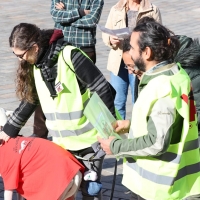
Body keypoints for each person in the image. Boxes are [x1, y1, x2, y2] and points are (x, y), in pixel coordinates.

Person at [0, 23, 116, 200]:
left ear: (35, 47)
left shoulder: (71, 56)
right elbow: (30, 101)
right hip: (62, 144)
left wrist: (108, 131)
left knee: (90, 191)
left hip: (90, 141)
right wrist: (9, 130)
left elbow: (104, 89)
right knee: (62, 190)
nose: (20, 60)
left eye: (21, 55)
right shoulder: (37, 65)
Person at [98, 19, 200, 200]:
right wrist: (130, 125)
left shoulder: (160, 87)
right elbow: (169, 123)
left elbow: (157, 142)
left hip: (160, 189)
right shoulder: (176, 74)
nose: (129, 51)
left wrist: (115, 146)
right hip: (174, 183)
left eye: (131, 47)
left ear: (146, 52)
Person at [0, 108, 84, 200]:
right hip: (71, 167)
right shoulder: (13, 142)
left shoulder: (5, 155)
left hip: (60, 172)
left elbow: (9, 190)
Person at [102, 0, 162, 119]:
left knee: (139, 100)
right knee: (117, 101)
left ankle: (137, 130)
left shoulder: (152, 9)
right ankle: (119, 133)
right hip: (118, 61)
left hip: (140, 62)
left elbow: (157, 36)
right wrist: (110, 39)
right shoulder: (116, 9)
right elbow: (106, 32)